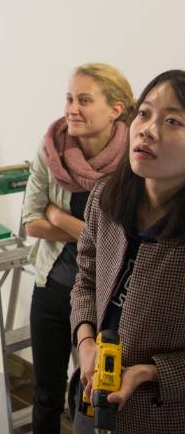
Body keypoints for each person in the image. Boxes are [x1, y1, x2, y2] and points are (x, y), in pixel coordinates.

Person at [69, 69, 185, 434]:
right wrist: (85, 342)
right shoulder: (106, 198)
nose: (148, 129)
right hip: (92, 397)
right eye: (145, 113)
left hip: (161, 414)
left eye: (173, 121)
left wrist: (149, 373)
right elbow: (85, 280)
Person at [21, 63, 135, 434]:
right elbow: (32, 222)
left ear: (115, 109)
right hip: (52, 287)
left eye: (85, 100)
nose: (72, 108)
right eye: (70, 98)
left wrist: (59, 217)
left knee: (95, 395)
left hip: (106, 300)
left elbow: (124, 242)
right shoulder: (51, 147)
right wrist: (83, 230)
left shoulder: (134, 161)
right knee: (45, 396)